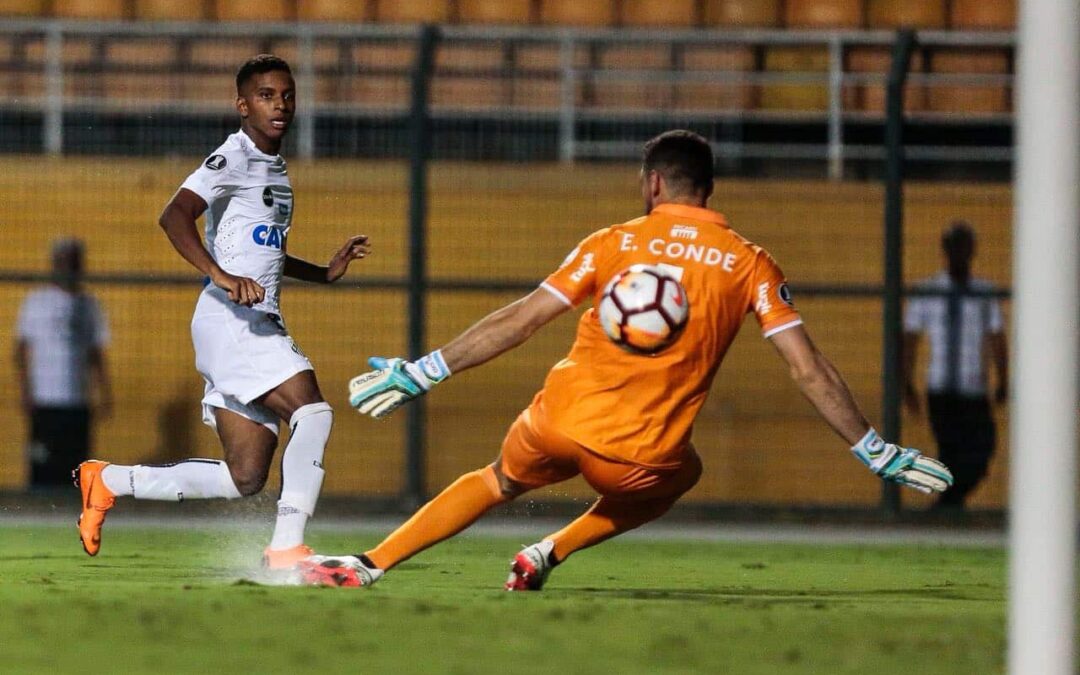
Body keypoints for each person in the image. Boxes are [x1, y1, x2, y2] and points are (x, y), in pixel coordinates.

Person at [298, 130, 953, 590]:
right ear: (708, 189)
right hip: (637, 459)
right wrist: (872, 448)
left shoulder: (612, 242)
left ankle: (368, 562)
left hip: (556, 421)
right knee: (684, 471)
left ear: (654, 182)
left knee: (497, 480)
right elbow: (807, 368)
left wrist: (425, 369)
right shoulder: (750, 264)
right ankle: (549, 550)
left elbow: (522, 319)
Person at [74, 54, 371, 569]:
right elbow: (174, 216)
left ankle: (108, 481)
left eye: (286, 95)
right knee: (313, 410)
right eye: (265, 95)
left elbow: (262, 250)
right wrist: (219, 274)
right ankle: (286, 549)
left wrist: (323, 272)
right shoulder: (233, 156)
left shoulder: (273, 167)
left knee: (245, 477)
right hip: (233, 320)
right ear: (242, 105)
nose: (279, 104)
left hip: (245, 322)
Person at [902, 221, 1007, 511]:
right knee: (951, 449)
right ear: (946, 250)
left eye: (965, 247)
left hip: (973, 386)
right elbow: (910, 338)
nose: (960, 253)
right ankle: (949, 506)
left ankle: (947, 504)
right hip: (941, 387)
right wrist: (906, 382)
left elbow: (997, 337)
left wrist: (1003, 379)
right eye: (955, 246)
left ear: (972, 251)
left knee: (982, 449)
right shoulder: (928, 290)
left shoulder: (984, 293)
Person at [15, 238, 111, 490]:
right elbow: (21, 350)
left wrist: (104, 392)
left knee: (75, 467)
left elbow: (96, 352)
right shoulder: (36, 301)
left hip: (77, 399)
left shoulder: (90, 304)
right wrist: (25, 391)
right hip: (45, 399)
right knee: (43, 462)